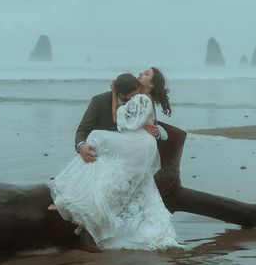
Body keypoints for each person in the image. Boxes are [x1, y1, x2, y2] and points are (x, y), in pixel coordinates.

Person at [48, 68, 179, 251]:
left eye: (146, 74)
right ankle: (78, 208)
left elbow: (123, 121)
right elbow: (82, 130)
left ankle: (74, 205)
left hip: (133, 147)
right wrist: (81, 146)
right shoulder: (102, 100)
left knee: (98, 138)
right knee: (94, 142)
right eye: (142, 73)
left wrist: (156, 131)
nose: (141, 74)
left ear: (151, 84)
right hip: (127, 148)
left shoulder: (140, 99)